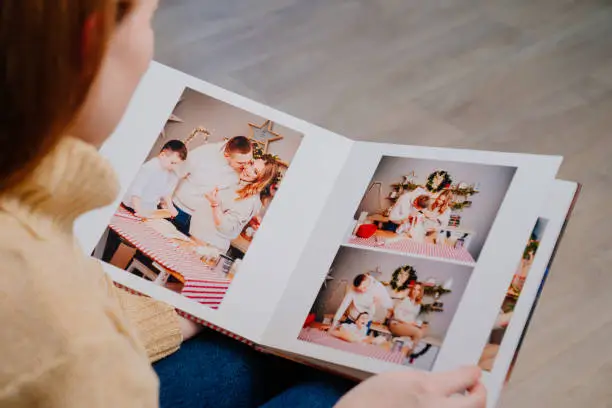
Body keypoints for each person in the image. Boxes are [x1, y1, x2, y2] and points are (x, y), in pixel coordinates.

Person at [0, 1, 486, 407]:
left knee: (248, 350)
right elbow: (61, 345)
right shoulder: (59, 318)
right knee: (323, 389)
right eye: (149, 20)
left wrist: (169, 317)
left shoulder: (36, 242)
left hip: (170, 277)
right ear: (93, 42)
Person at [189, 157, 278, 252]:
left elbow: (226, 228)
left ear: (261, 180)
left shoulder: (249, 199)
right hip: (199, 238)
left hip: (207, 246)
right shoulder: (241, 184)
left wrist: (215, 204)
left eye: (255, 172)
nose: (248, 169)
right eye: (251, 164)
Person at [171, 136, 254, 235]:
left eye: (249, 161)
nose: (246, 166)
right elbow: (174, 174)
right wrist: (166, 203)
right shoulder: (205, 153)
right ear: (227, 155)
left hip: (201, 223)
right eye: (241, 163)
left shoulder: (244, 171)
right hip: (177, 209)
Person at [122, 139, 187, 218]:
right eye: (172, 163)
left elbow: (166, 193)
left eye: (177, 164)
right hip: (132, 206)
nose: (174, 166)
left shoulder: (169, 171)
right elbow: (136, 190)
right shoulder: (150, 167)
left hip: (148, 209)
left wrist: (170, 207)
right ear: (162, 155)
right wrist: (138, 210)